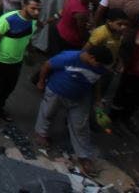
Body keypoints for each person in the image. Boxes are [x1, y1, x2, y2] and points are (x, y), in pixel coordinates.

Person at [34, 45, 115, 174]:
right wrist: (41, 82)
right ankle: (41, 133)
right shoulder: (68, 58)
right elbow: (47, 65)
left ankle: (84, 156)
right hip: (57, 90)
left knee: (80, 126)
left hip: (81, 97)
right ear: (92, 57)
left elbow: (96, 81)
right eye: (98, 63)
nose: (101, 67)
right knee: (47, 113)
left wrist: (98, 99)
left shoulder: (99, 67)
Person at [0, 0, 40, 121]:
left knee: (8, 87)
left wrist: (29, 50)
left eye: (38, 9)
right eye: (33, 8)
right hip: (0, 61)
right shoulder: (8, 19)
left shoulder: (33, 22)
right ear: (24, 5)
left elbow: (28, 38)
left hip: (16, 62)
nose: (36, 12)